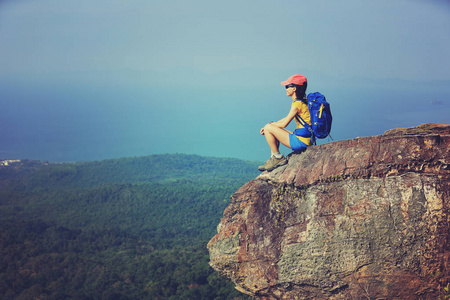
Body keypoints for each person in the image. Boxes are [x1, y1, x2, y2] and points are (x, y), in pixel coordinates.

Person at [258, 74, 312, 172]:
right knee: (270, 128)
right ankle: (273, 158)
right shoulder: (302, 102)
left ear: (294, 88)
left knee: (268, 128)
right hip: (305, 139)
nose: (286, 89)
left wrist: (268, 127)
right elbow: (285, 119)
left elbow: (284, 124)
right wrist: (271, 125)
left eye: (287, 87)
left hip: (300, 142)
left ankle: (277, 157)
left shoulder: (297, 104)